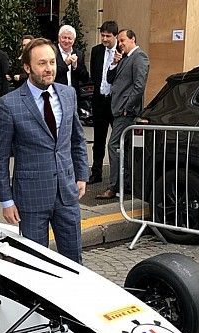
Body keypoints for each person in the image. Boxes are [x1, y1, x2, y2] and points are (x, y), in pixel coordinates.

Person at [0, 38, 89, 264]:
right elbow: (0, 157)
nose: (49, 69)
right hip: (31, 198)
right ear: (27, 68)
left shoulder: (67, 94)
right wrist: (6, 200)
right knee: (34, 263)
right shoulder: (10, 104)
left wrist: (82, 174)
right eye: (42, 63)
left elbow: (77, 138)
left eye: (52, 62)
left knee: (74, 261)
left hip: (67, 193)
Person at [96, 29, 149, 200]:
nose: (120, 44)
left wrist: (128, 106)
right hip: (118, 108)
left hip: (126, 111)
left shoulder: (139, 57)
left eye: (123, 40)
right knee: (122, 147)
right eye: (119, 41)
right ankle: (123, 184)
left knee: (114, 145)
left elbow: (139, 86)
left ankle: (114, 186)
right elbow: (111, 79)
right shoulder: (124, 58)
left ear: (133, 39)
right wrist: (114, 63)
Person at [88, 21, 118, 184]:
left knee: (117, 141)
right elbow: (95, 75)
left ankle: (120, 175)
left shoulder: (121, 52)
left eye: (108, 36)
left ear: (115, 36)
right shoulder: (96, 51)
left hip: (115, 103)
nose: (105, 39)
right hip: (99, 100)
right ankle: (96, 172)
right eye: (103, 35)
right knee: (98, 140)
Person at [54, 25, 89, 104]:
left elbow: (85, 78)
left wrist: (75, 66)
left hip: (73, 96)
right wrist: (65, 64)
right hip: (56, 95)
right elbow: (52, 73)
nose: (66, 41)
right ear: (59, 38)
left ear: (74, 40)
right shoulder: (52, 52)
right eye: (64, 37)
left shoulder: (78, 54)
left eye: (69, 38)